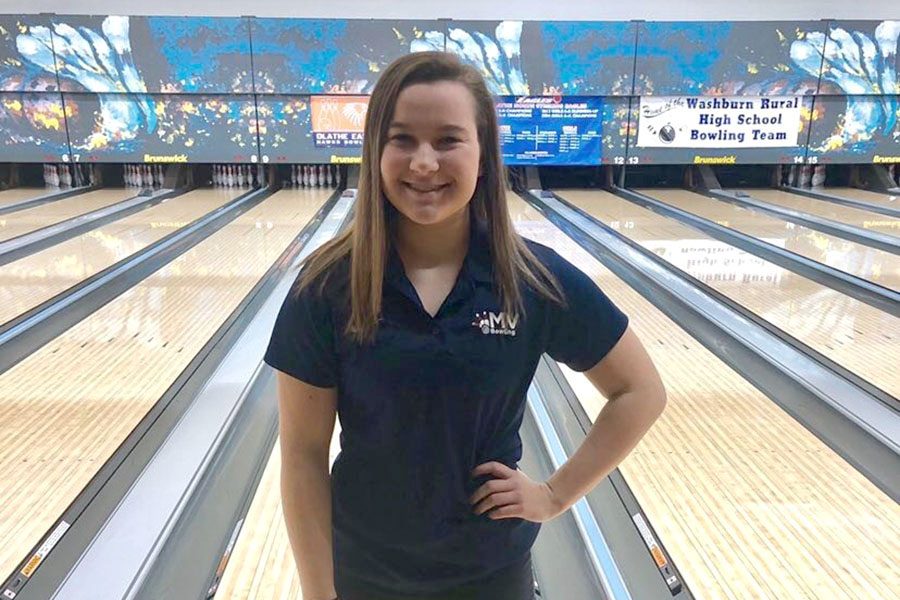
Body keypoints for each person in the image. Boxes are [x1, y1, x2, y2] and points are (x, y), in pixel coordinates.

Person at [264, 51, 666, 600]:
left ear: (483, 155)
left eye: (448, 140)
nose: (424, 162)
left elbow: (640, 391)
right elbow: (303, 454)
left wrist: (554, 495)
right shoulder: (327, 287)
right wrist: (318, 594)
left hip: (491, 578)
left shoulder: (532, 279)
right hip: (362, 577)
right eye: (402, 139)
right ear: (375, 151)